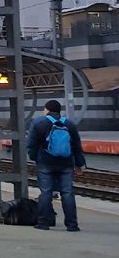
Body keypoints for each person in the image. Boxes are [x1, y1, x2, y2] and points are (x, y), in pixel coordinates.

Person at [26, 99, 86, 231]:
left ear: (47, 110)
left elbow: (31, 144)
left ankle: (43, 223)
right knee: (67, 193)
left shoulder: (38, 123)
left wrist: (35, 158)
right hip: (66, 163)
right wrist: (79, 164)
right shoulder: (69, 124)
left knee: (46, 193)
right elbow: (76, 145)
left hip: (45, 162)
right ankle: (72, 225)